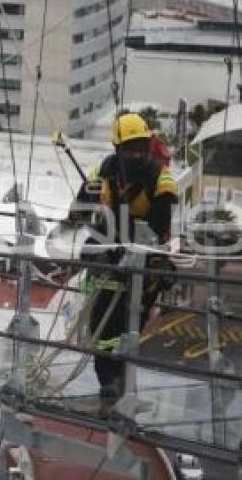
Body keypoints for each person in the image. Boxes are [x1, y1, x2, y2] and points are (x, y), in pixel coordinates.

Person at [75, 112, 178, 402]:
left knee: (130, 320)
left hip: (143, 255)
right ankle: (107, 379)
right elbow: (82, 205)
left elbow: (157, 228)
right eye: (130, 148)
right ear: (118, 149)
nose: (136, 154)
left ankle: (118, 377)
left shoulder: (162, 179)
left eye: (141, 148)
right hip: (107, 248)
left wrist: (129, 249)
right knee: (101, 322)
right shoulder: (103, 172)